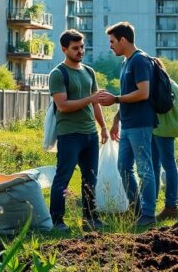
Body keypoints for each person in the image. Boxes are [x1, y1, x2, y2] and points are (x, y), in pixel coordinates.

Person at [98, 22, 158, 228]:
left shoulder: (139, 61)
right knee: (123, 167)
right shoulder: (125, 62)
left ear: (123, 40)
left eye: (112, 41)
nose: (110, 46)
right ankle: (136, 210)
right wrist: (116, 120)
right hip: (128, 123)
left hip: (141, 123)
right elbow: (125, 96)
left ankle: (148, 214)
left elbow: (143, 93)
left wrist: (115, 99)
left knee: (144, 169)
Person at [48, 29, 108, 232]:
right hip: (69, 134)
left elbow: (96, 104)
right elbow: (63, 105)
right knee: (62, 178)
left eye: (82, 47)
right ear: (64, 49)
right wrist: (90, 100)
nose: (80, 51)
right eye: (75, 48)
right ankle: (57, 221)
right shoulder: (58, 74)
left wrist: (103, 127)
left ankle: (90, 218)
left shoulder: (89, 72)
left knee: (90, 178)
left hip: (90, 134)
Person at [151, 78, 178, 221]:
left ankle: (171, 207)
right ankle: (151, 204)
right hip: (160, 128)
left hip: (162, 129)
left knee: (167, 165)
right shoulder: (170, 83)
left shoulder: (161, 84)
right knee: (155, 166)